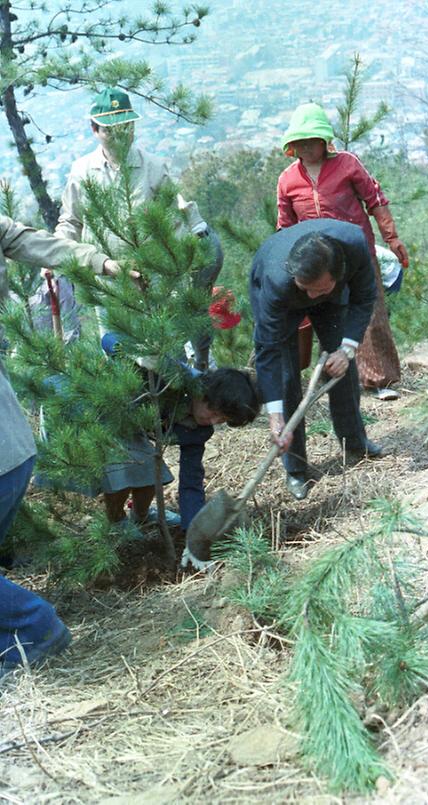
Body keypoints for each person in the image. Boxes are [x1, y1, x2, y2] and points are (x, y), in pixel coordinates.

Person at [0, 215, 121, 677]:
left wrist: (100, 260)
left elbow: (42, 244)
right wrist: (101, 261)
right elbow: (41, 244)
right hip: (15, 447)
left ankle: (37, 628)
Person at [48, 86, 223, 368]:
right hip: (108, 282)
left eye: (126, 127)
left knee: (164, 359)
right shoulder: (82, 172)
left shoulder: (154, 167)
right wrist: (53, 255)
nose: (119, 135)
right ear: (95, 131)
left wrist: (174, 274)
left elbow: (174, 224)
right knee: (121, 359)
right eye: (110, 130)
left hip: (154, 282)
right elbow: (71, 221)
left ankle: (172, 410)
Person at [277, 102, 409, 400]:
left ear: (324, 142)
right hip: (317, 259)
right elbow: (285, 225)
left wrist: (392, 237)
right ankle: (336, 380)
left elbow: (375, 199)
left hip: (357, 252)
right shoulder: (287, 180)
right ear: (292, 145)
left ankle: (380, 380)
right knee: (327, 316)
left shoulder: (348, 164)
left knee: (370, 310)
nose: (306, 148)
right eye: (300, 143)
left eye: (311, 141)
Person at [249, 218, 381, 500]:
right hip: (283, 303)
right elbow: (267, 349)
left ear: (338, 272)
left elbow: (365, 297)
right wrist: (274, 416)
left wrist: (347, 349)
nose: (310, 297)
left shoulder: (354, 245)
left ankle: (355, 442)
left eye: (317, 289)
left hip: (333, 300)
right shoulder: (276, 279)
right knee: (286, 378)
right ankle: (296, 469)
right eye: (305, 288)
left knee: (341, 366)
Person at [100, 333, 260, 532]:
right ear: (205, 392)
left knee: (152, 469)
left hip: (138, 431)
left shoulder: (197, 431)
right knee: (127, 467)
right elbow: (108, 339)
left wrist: (193, 531)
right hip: (110, 413)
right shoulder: (175, 374)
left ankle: (141, 516)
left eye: (223, 420)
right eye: (215, 412)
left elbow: (191, 482)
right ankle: (117, 522)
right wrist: (137, 352)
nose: (213, 421)